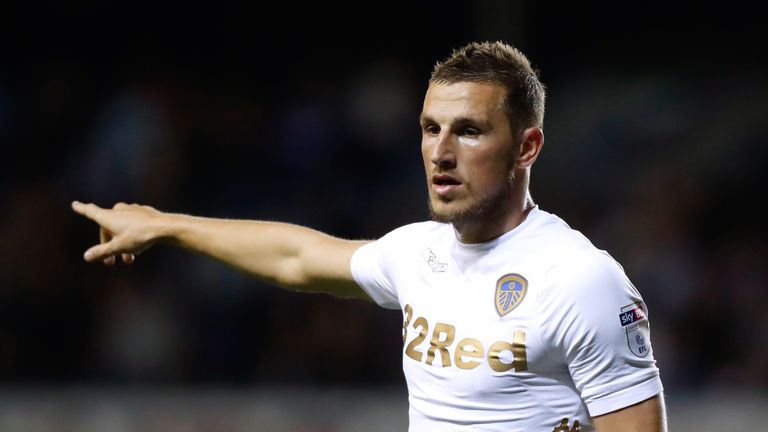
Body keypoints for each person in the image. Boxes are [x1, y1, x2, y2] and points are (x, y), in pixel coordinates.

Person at [72, 41, 666, 431]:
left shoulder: (581, 279)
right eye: (431, 129)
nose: (441, 152)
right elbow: (296, 257)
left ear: (527, 147)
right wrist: (168, 225)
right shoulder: (418, 252)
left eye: (469, 131)